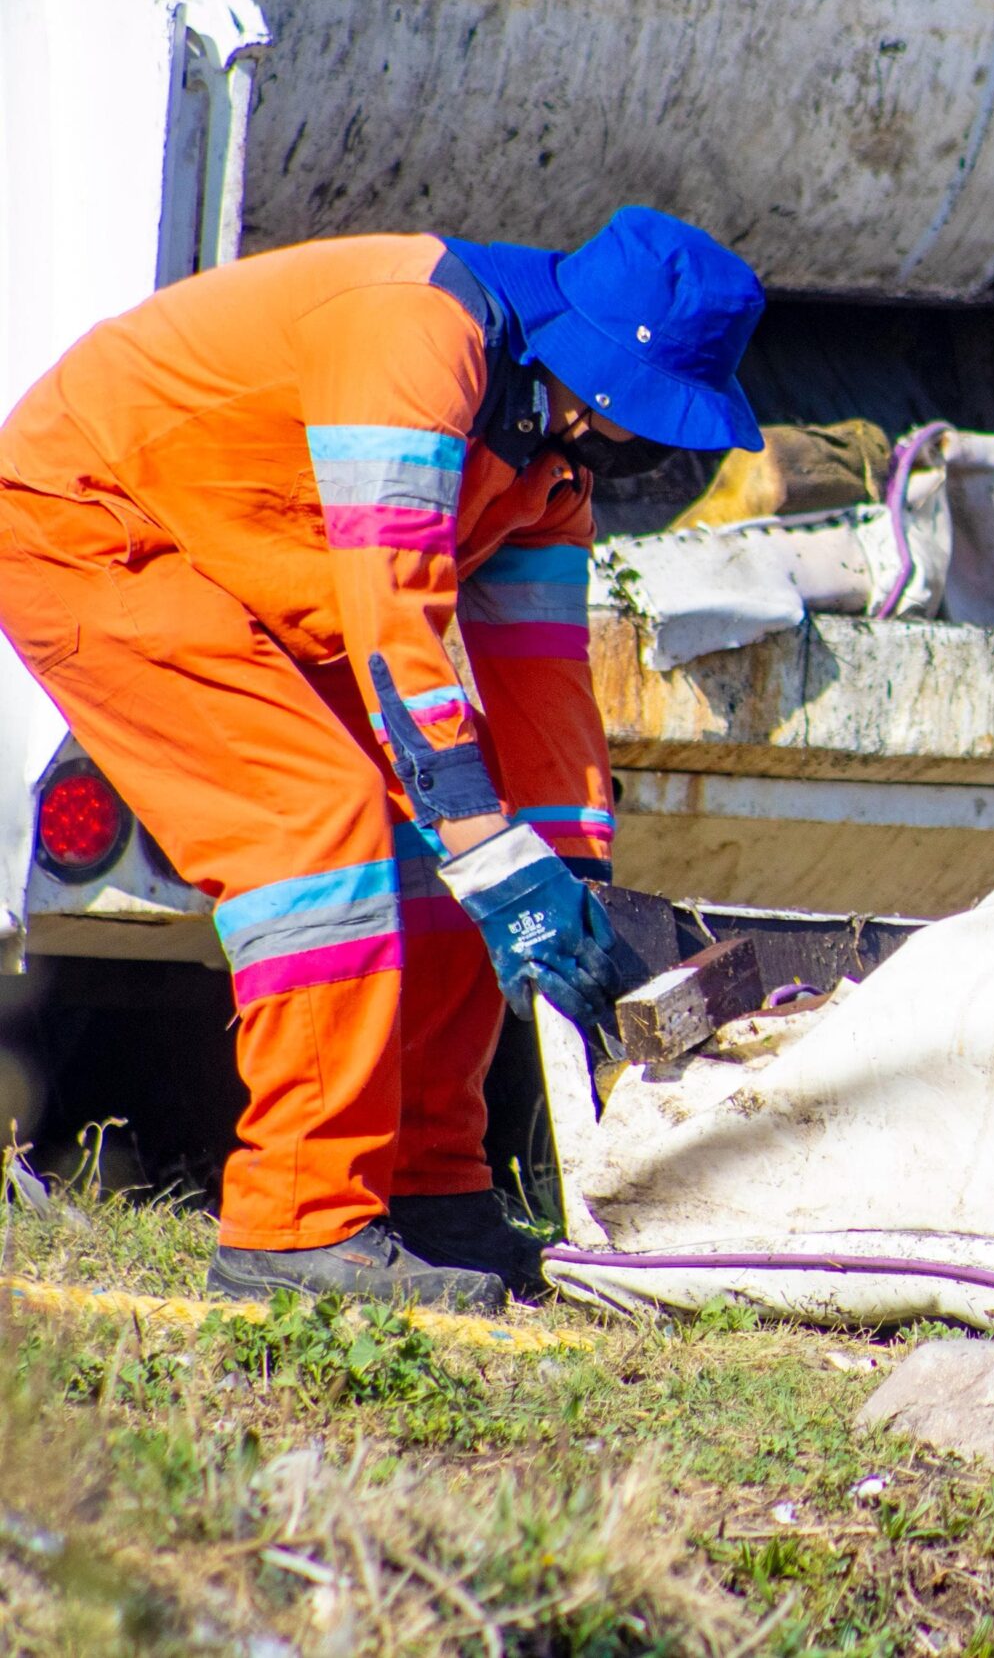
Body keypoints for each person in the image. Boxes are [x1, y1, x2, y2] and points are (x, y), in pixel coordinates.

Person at [0, 207, 767, 1311]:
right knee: (318, 831)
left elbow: (543, 681)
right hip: (94, 533)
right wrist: (486, 840)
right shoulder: (419, 336)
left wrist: (573, 878)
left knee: (455, 842)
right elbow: (393, 607)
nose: (647, 445)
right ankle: (296, 1229)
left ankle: (428, 1189)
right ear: (594, 370)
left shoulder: (551, 464)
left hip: (242, 577)